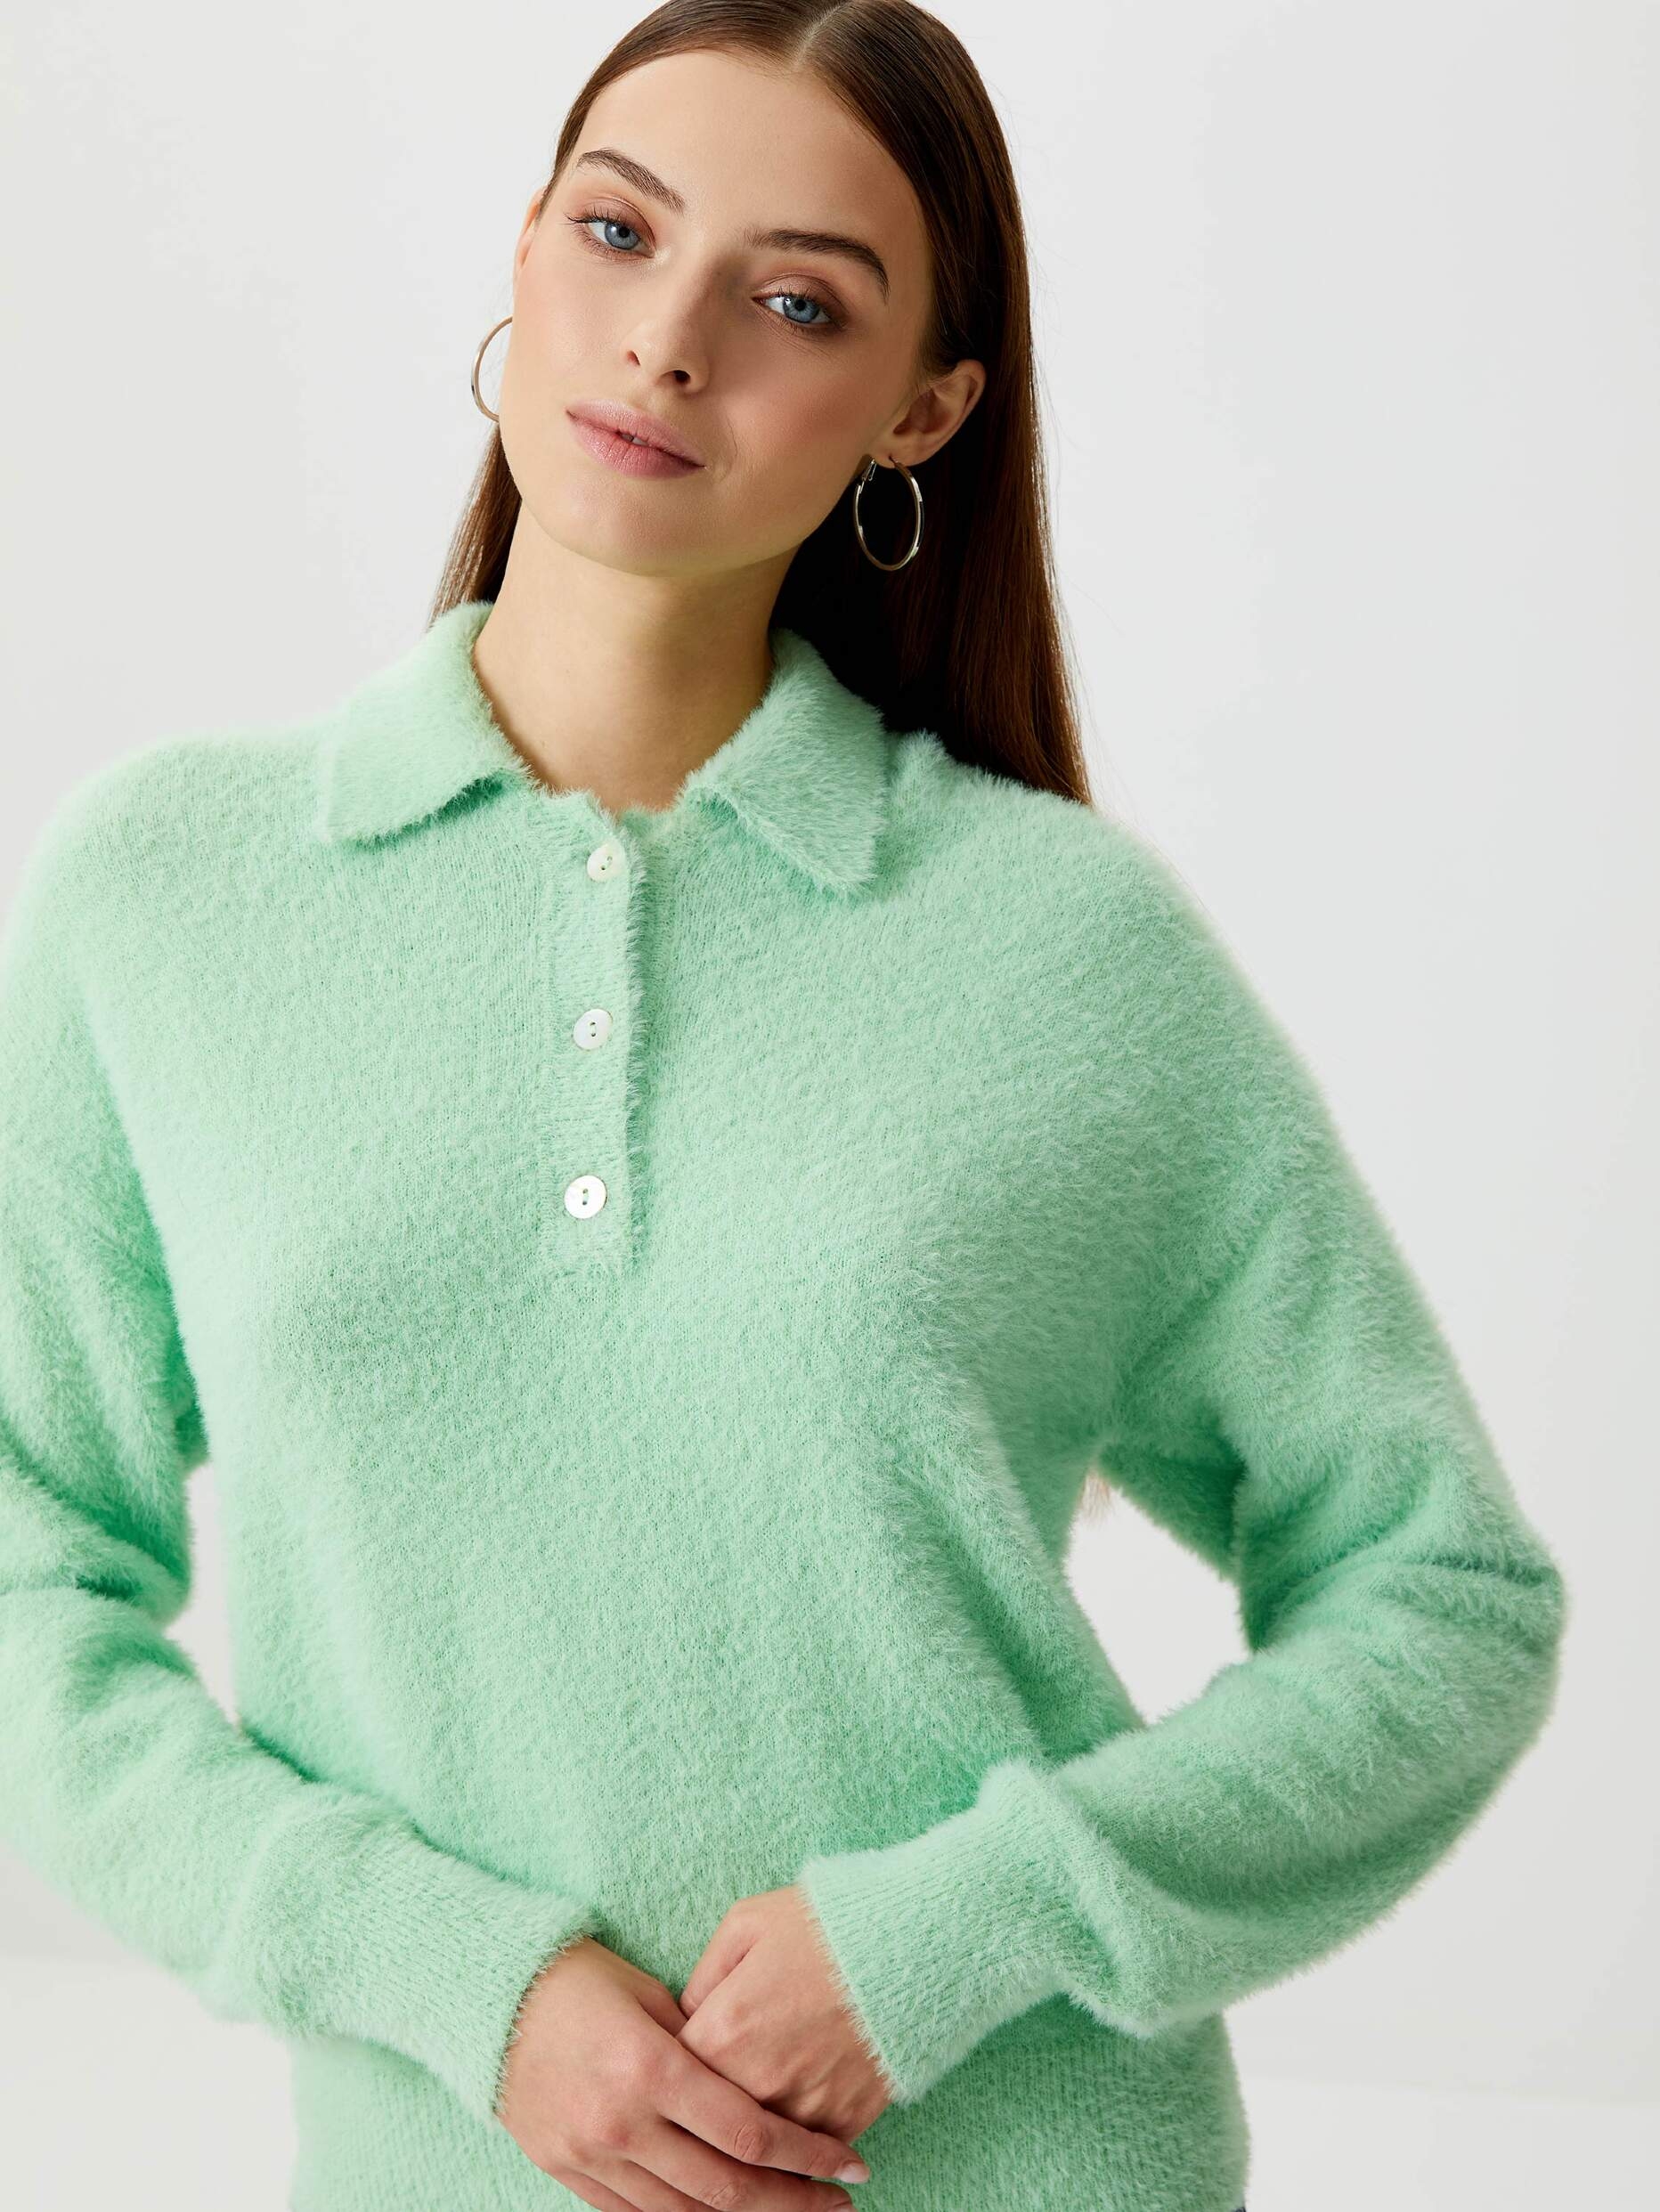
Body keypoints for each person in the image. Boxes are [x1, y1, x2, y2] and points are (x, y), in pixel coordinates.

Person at [0, 5, 1566, 2211]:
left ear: (922, 406)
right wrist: (440, 1969)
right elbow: (25, 1570)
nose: (667, 342)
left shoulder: (1061, 949)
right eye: (617, 233)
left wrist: (961, 1930)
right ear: (523, 249)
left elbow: (1442, 1595)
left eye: (798, 301)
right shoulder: (166, 896)